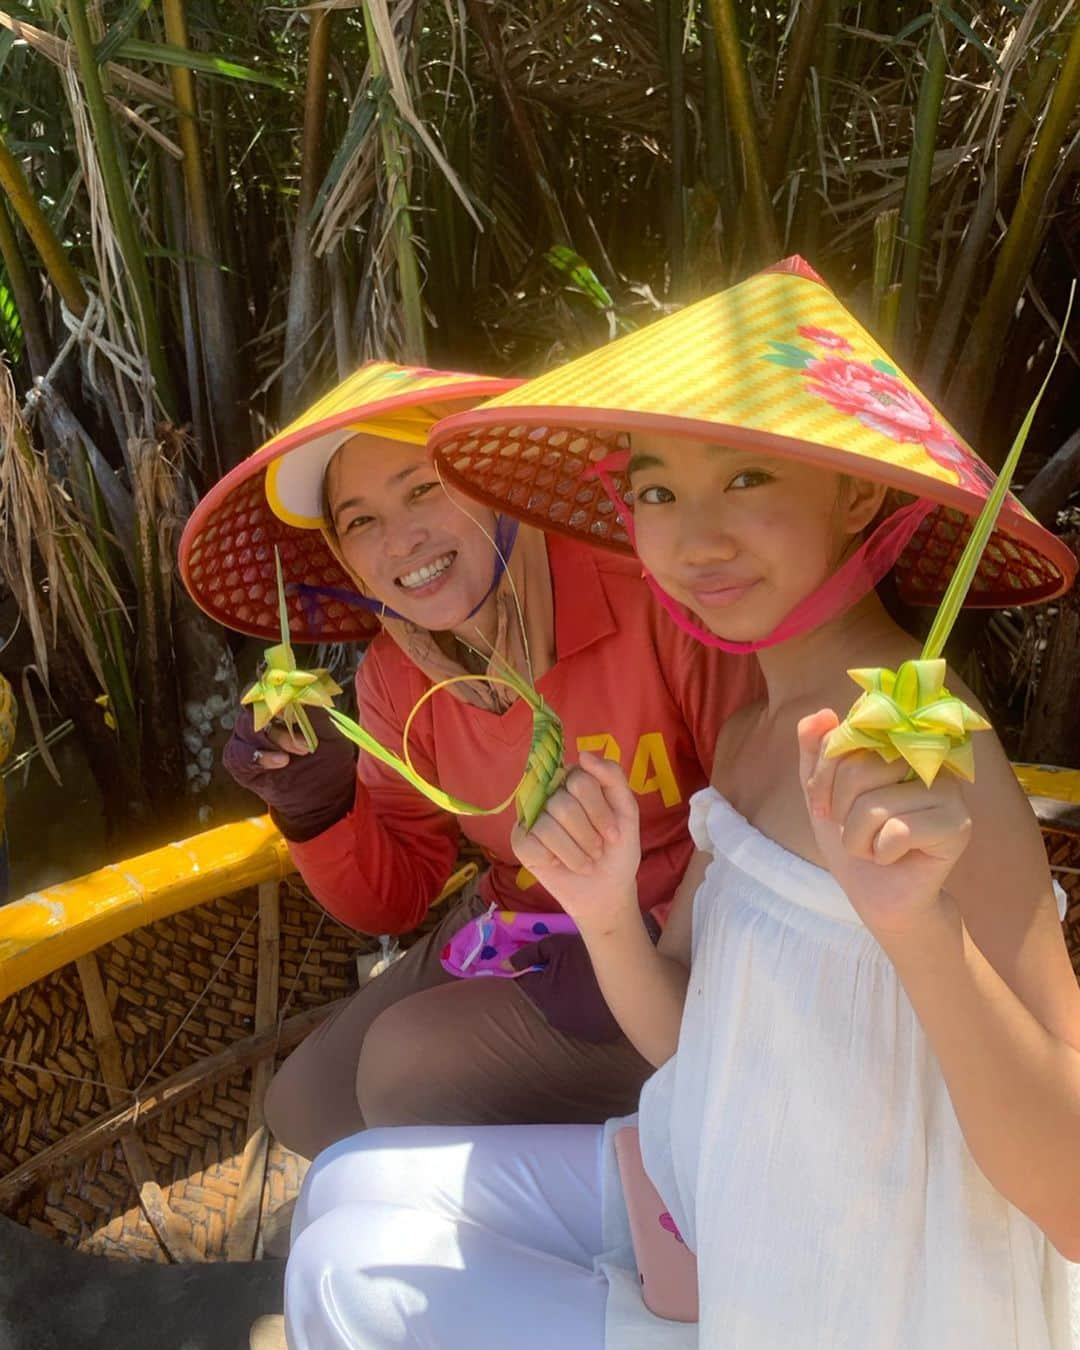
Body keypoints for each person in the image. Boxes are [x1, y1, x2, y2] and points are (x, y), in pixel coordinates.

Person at [282, 260, 1080, 1348]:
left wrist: (919, 930)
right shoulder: (758, 726)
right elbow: (690, 1039)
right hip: (725, 1179)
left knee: (344, 1273)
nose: (694, 540)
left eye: (747, 478)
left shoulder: (927, 754)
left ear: (857, 491)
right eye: (655, 493)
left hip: (850, 1287)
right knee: (342, 1186)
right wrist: (605, 908)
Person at [180, 360, 760, 1161]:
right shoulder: (393, 672)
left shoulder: (650, 594)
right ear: (345, 560)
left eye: (423, 490)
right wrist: (318, 809)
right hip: (524, 924)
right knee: (304, 1107)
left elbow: (753, 806)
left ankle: (656, 1176)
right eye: (360, 521)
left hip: (683, 943)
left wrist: (641, 945)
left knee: (403, 1073)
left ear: (494, 484)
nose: (402, 539)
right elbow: (397, 896)